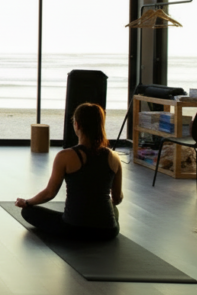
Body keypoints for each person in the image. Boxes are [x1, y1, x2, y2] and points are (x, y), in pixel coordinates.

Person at [15, 102, 122, 241]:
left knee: (28, 212)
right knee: (114, 210)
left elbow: (49, 193)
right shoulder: (114, 157)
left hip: (73, 229)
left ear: (77, 124)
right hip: (108, 231)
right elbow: (117, 198)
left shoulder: (65, 156)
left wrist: (27, 202)